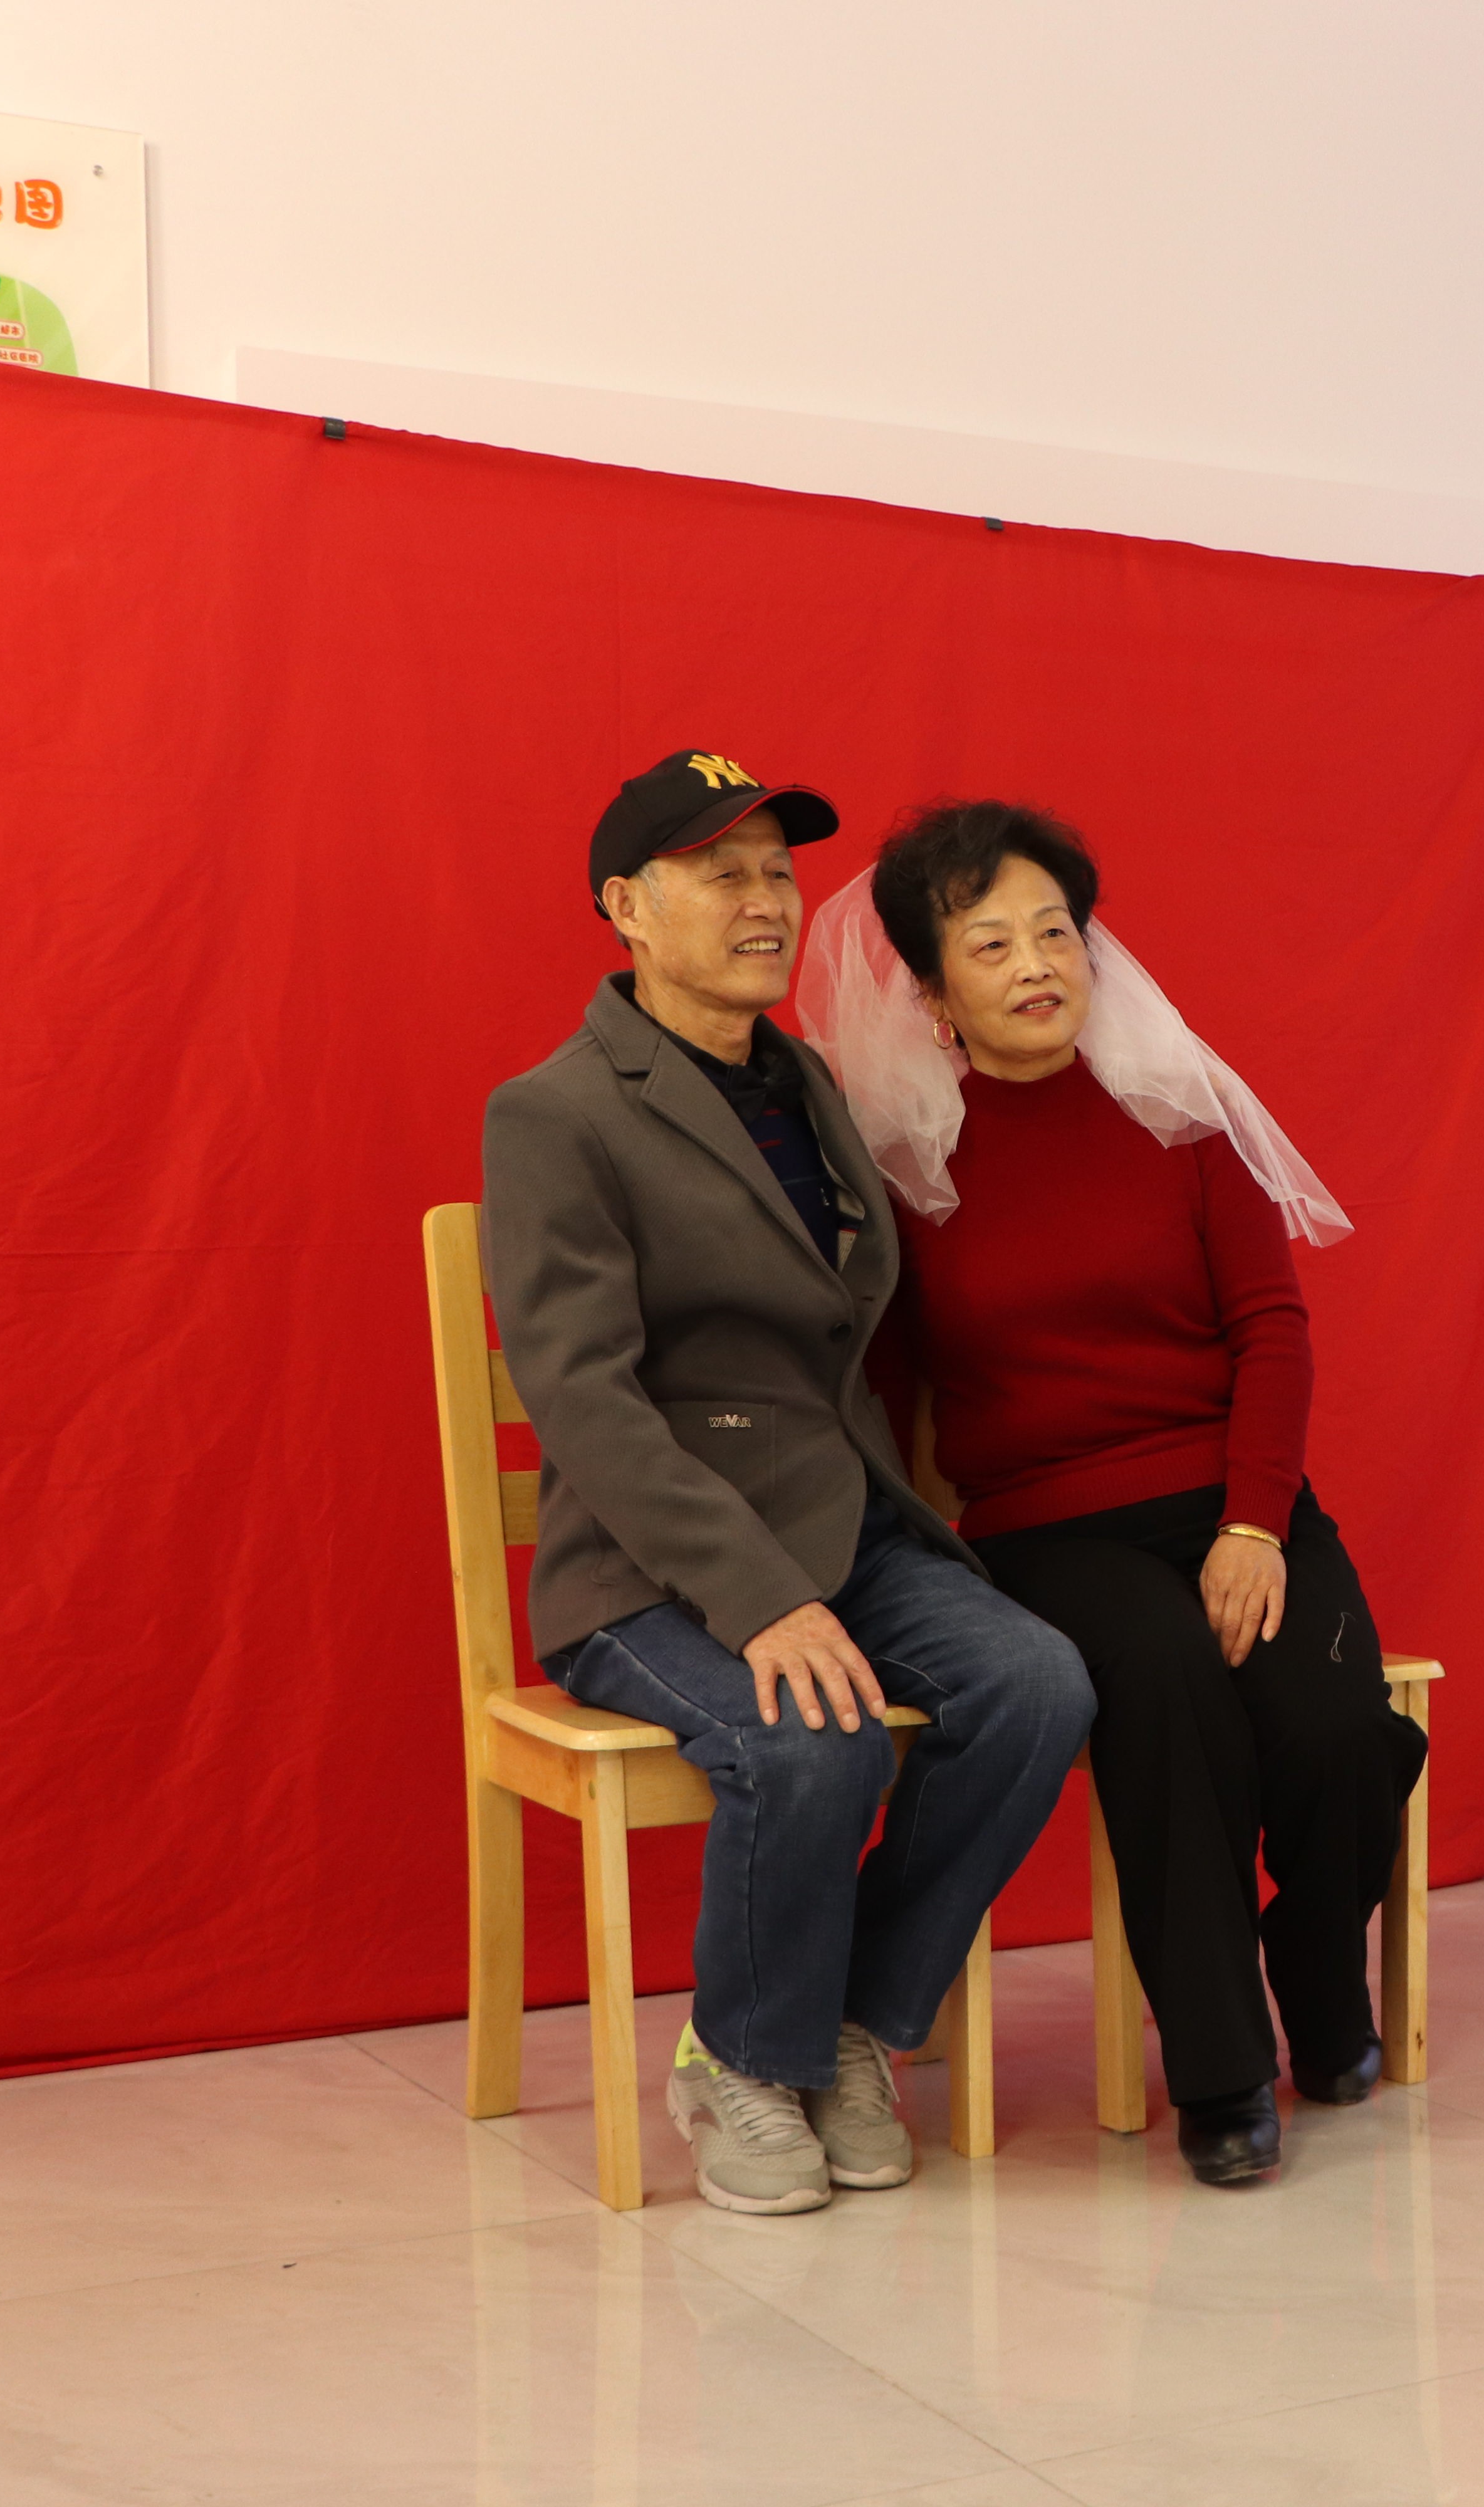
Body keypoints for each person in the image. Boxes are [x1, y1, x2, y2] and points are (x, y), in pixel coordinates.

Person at [482, 747, 1092, 2216]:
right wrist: (759, 1597)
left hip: (846, 1520)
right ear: (627, 906)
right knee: (815, 1740)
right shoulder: (557, 1112)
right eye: (720, 874)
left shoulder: (807, 1079)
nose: (765, 900)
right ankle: (742, 2058)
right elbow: (587, 1399)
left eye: (777, 871)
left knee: (1038, 1684)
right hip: (649, 1572)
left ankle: (854, 2020)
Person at [798, 799, 1424, 2187]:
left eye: (1054, 932)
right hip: (1050, 1530)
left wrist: (1254, 1521)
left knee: (1335, 1728)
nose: (1036, 964)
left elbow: (1273, 1327)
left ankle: (1317, 1971)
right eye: (990, 944)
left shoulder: (1179, 1110)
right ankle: (1223, 2072)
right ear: (934, 993)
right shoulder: (906, 1168)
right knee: (1170, 1699)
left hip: (1238, 1498)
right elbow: (884, 1399)